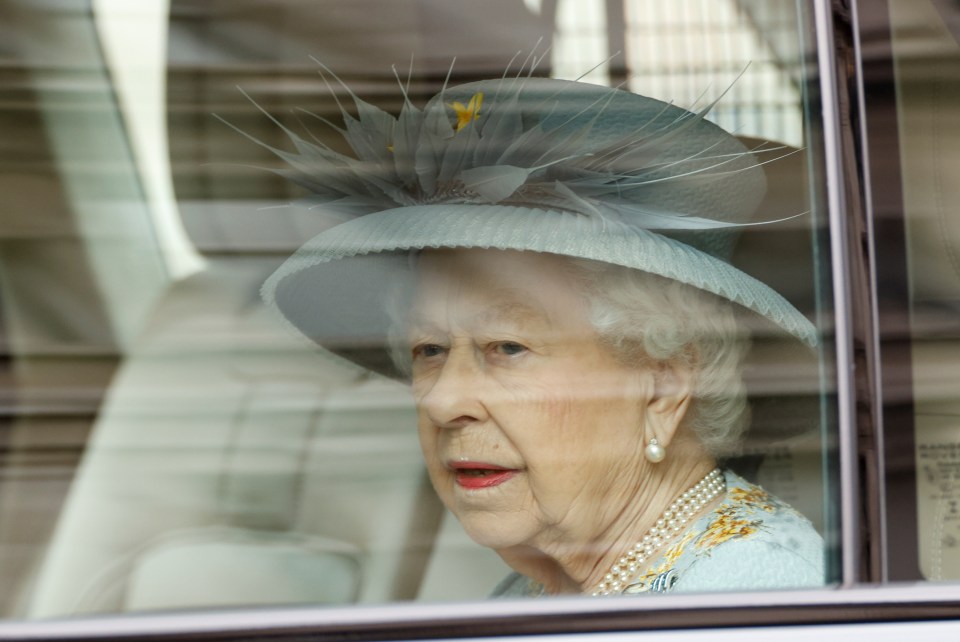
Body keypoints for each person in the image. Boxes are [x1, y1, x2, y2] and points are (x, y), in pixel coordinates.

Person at [251, 66, 825, 596]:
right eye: (430, 349)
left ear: (663, 384)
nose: (444, 401)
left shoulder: (750, 592)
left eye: (506, 347)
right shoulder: (547, 585)